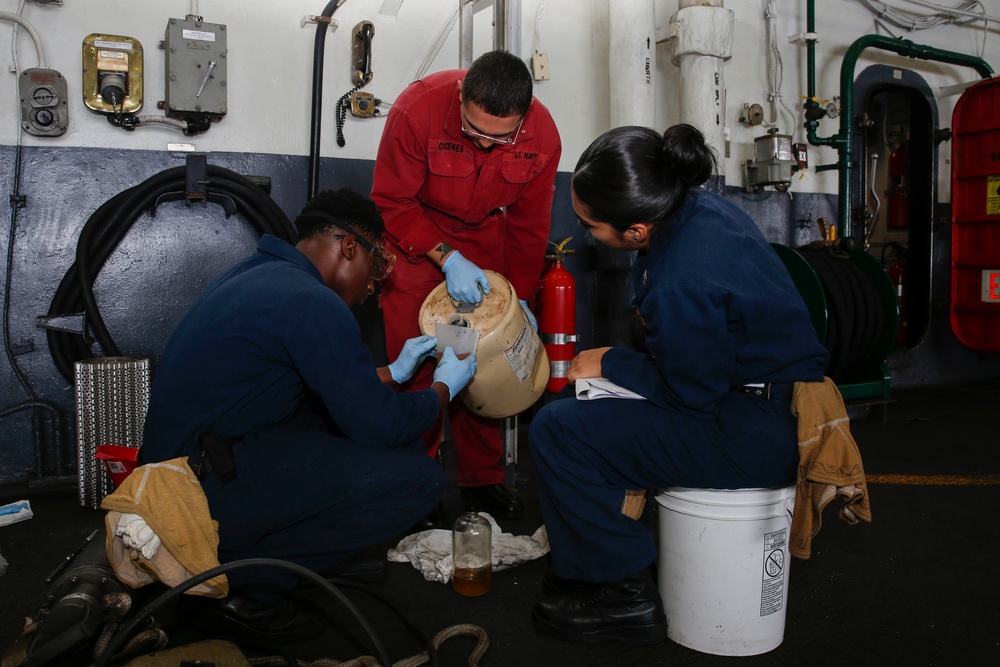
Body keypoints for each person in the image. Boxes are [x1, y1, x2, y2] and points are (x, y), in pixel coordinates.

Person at [528, 125, 829, 644]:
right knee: (588, 414)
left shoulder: (683, 275)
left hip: (753, 429)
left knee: (560, 429)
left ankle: (623, 594)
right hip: (770, 401)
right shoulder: (700, 210)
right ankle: (600, 554)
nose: (583, 234)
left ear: (638, 230)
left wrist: (614, 364)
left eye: (590, 226)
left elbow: (692, 395)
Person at [140, 188, 477, 638]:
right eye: (376, 266)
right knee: (419, 479)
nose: (374, 284)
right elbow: (380, 423)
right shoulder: (312, 302)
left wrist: (393, 374)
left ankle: (259, 560)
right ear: (349, 247)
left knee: (335, 423)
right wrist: (442, 388)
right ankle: (247, 589)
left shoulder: (261, 275)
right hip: (196, 498)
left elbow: (327, 384)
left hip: (185, 470)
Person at [371, 50, 562, 521]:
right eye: (477, 133)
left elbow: (529, 227)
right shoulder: (416, 110)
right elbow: (391, 200)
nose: (486, 146)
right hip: (415, 236)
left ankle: (482, 481)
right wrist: (446, 257)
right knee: (420, 359)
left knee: (481, 360)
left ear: (524, 115)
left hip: (486, 239)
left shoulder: (544, 136)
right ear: (460, 96)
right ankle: (415, 482)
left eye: (503, 138)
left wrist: (517, 298)